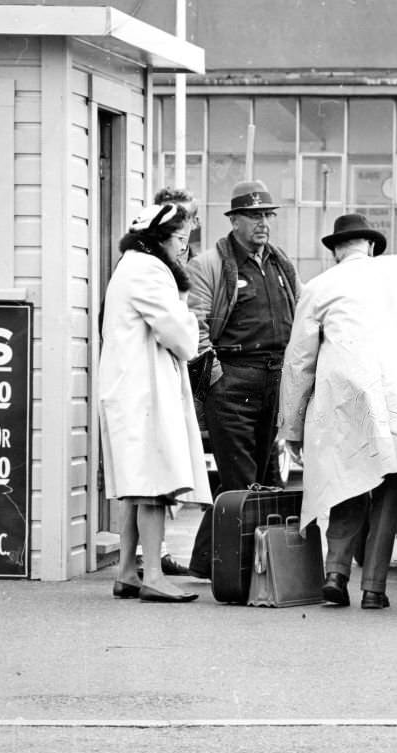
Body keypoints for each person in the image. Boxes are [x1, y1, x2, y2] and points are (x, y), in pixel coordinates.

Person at [277, 213, 397, 609]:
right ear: (372, 247)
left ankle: (335, 573)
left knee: (347, 478)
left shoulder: (318, 287)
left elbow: (299, 362)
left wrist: (291, 425)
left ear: (335, 252)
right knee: (386, 489)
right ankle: (374, 588)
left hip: (344, 396)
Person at [185, 180, 301, 579]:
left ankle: (205, 562)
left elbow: (297, 317)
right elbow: (194, 326)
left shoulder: (281, 264)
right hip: (232, 380)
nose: (263, 223)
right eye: (254, 216)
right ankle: (245, 569)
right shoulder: (208, 265)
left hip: (273, 378)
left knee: (258, 478)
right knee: (242, 479)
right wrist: (212, 384)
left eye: (268, 215)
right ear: (234, 220)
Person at [98, 202, 212, 602]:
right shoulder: (149, 271)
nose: (184, 248)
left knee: (136, 486)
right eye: (182, 239)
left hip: (134, 388)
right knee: (152, 483)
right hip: (143, 393)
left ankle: (128, 571)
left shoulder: (129, 266)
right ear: (161, 239)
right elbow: (181, 336)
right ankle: (153, 577)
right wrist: (190, 321)